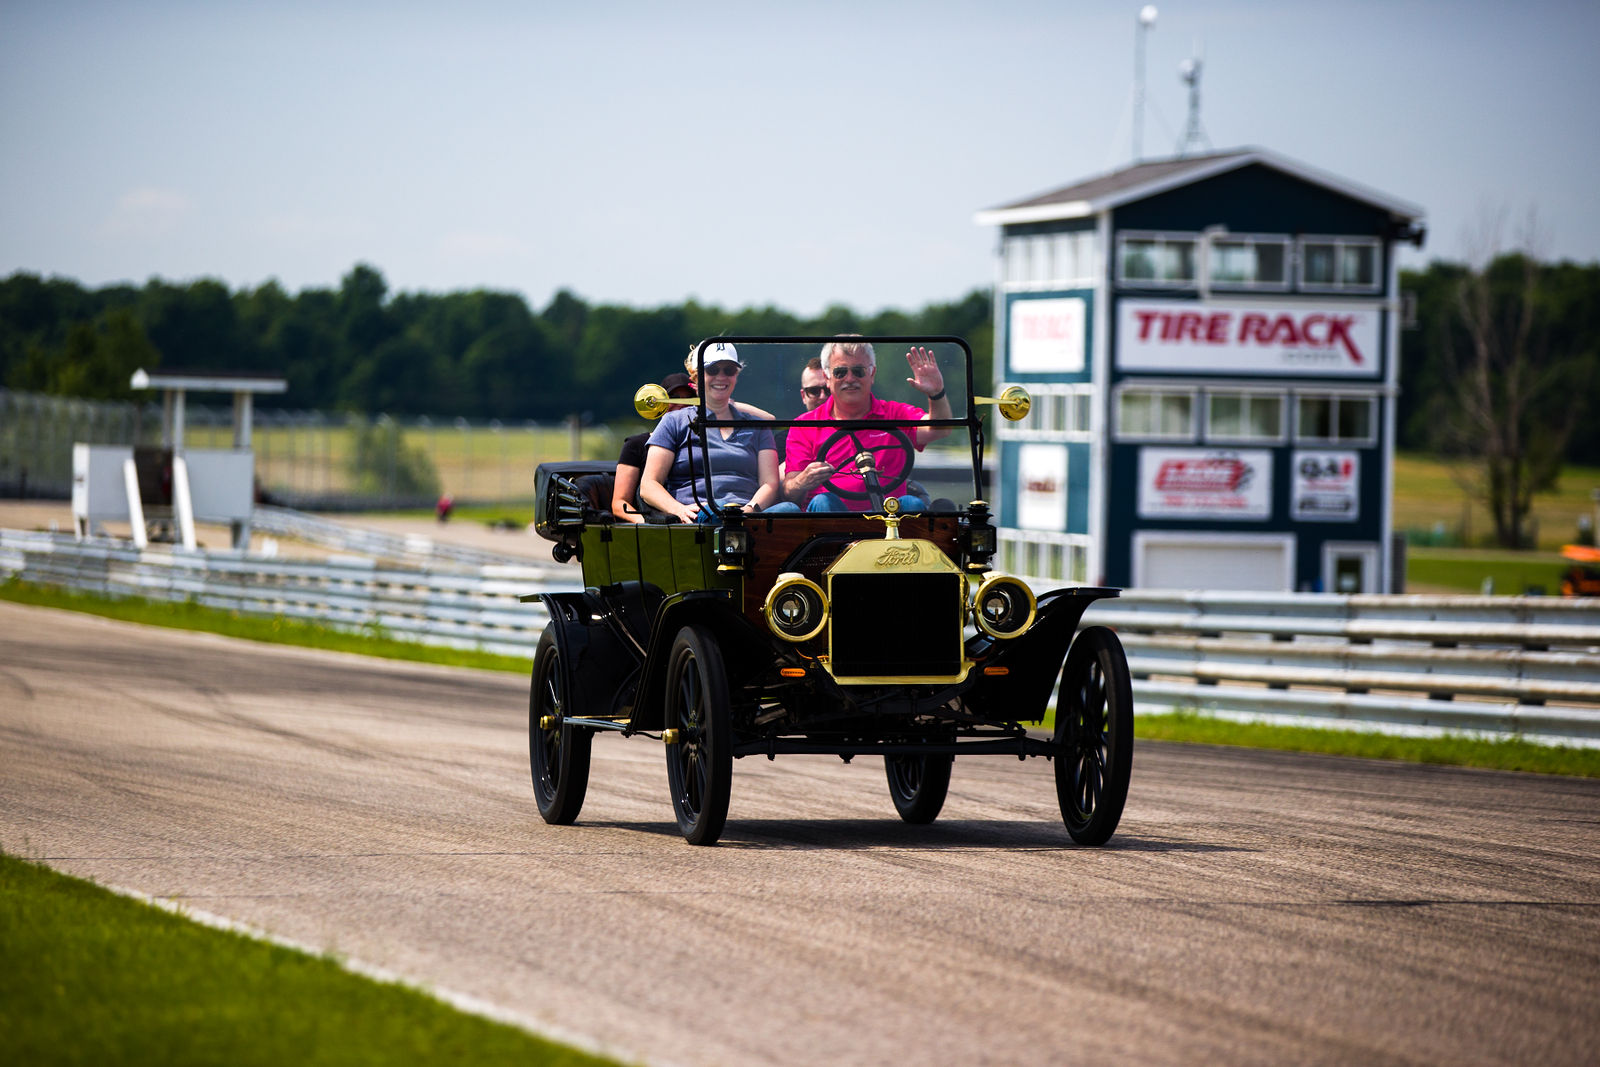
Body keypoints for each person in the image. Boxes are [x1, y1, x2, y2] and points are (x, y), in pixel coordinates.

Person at [784, 340, 953, 512]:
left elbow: (939, 429)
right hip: (829, 522)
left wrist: (936, 393)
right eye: (840, 372)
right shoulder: (804, 425)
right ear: (827, 378)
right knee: (824, 502)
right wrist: (802, 481)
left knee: (912, 504)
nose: (850, 379)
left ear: (872, 374)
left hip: (888, 515)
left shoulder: (895, 414)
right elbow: (790, 492)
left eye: (858, 371)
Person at [639, 343, 800, 523]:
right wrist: (678, 509)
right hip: (700, 514)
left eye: (729, 370)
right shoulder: (674, 421)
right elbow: (648, 485)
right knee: (719, 510)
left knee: (790, 510)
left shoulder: (757, 426)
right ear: (697, 376)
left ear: (736, 376)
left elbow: (769, 483)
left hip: (750, 515)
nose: (721, 377)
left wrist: (750, 509)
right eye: (712, 370)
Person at [611, 372, 697, 523]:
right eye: (674, 398)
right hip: (653, 521)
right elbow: (619, 503)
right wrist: (648, 523)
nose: (682, 405)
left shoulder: (700, 444)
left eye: (689, 399)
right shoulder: (635, 445)